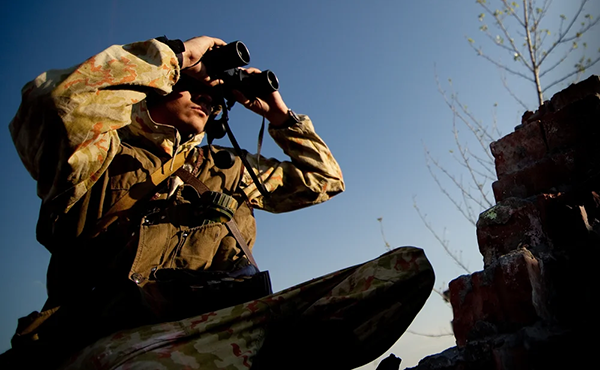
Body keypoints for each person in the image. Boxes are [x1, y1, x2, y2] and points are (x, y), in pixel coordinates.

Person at [3, 35, 435, 370]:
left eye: (216, 95)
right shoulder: (100, 152)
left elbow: (324, 179)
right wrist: (178, 54)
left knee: (404, 270)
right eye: (194, 87)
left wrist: (280, 118)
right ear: (159, 87)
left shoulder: (223, 168)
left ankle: (269, 356)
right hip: (115, 334)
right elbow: (54, 103)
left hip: (227, 323)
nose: (208, 97)